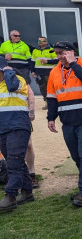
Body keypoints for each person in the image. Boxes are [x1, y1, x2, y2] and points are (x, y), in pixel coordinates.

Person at [46, 41, 82, 207]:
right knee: (77, 156)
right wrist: (51, 117)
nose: (59, 56)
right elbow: (52, 97)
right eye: (57, 53)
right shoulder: (55, 72)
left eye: (62, 53)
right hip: (67, 121)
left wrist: (73, 63)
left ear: (71, 52)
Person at [0, 56, 34, 213]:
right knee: (15, 161)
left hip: (18, 127)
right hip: (3, 129)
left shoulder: (17, 78)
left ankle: (10, 196)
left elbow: (13, 86)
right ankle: (27, 192)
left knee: (13, 163)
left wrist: (8, 71)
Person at [31, 36, 57, 107]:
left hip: (49, 73)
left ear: (46, 42)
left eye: (42, 41)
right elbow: (32, 62)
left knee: (51, 88)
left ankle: (54, 102)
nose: (40, 42)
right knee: (42, 88)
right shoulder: (35, 51)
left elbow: (57, 60)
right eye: (39, 41)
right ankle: (47, 103)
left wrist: (47, 61)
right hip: (39, 73)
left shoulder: (52, 50)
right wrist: (32, 72)